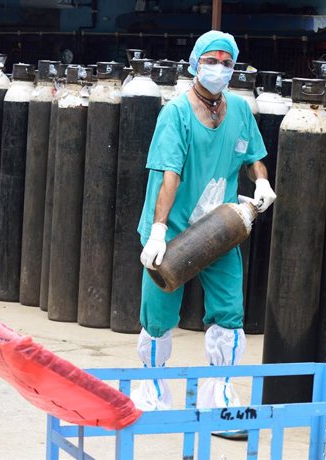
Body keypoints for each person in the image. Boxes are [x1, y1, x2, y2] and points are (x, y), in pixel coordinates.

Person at [132, 30, 277, 419]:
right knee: (159, 316)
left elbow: (254, 155)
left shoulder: (240, 111)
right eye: (211, 61)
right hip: (173, 232)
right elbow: (169, 176)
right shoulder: (176, 113)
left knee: (230, 311)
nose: (219, 69)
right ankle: (151, 395)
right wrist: (159, 231)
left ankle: (221, 401)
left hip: (217, 229)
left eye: (227, 63)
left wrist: (261, 179)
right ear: (196, 63)